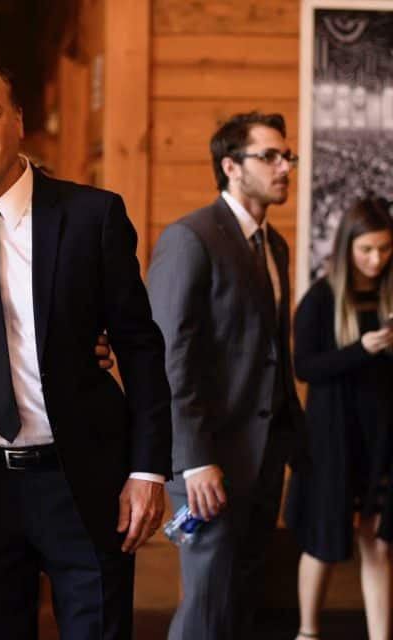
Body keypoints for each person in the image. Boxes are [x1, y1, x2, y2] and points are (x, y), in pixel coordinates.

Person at [0, 53, 172, 640]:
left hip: (80, 477)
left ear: (18, 120)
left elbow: (141, 347)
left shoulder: (91, 215)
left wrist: (149, 470)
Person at [146, 111, 307, 639]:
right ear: (231, 167)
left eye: (288, 156)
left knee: (241, 603)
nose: (285, 166)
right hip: (206, 463)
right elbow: (171, 358)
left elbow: (268, 355)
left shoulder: (274, 244)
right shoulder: (190, 238)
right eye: (271, 156)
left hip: (263, 458)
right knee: (208, 607)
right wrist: (194, 461)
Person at [285, 197, 393, 640]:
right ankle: (307, 632)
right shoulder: (321, 297)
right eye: (367, 249)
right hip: (334, 438)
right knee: (323, 541)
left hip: (383, 438)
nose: (376, 259)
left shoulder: (389, 293)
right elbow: (304, 368)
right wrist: (359, 351)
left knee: (381, 542)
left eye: (385, 250)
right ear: (347, 247)